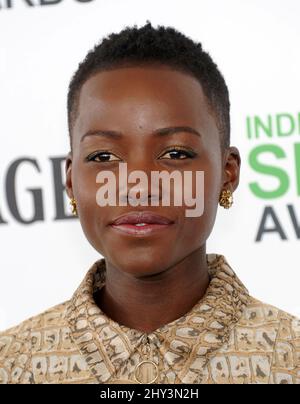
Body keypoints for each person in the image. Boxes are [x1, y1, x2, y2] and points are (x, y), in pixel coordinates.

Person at [0, 21, 299, 385]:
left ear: (227, 172)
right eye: (103, 157)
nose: (138, 186)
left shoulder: (290, 359)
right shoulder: (12, 365)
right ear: (70, 182)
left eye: (175, 153)